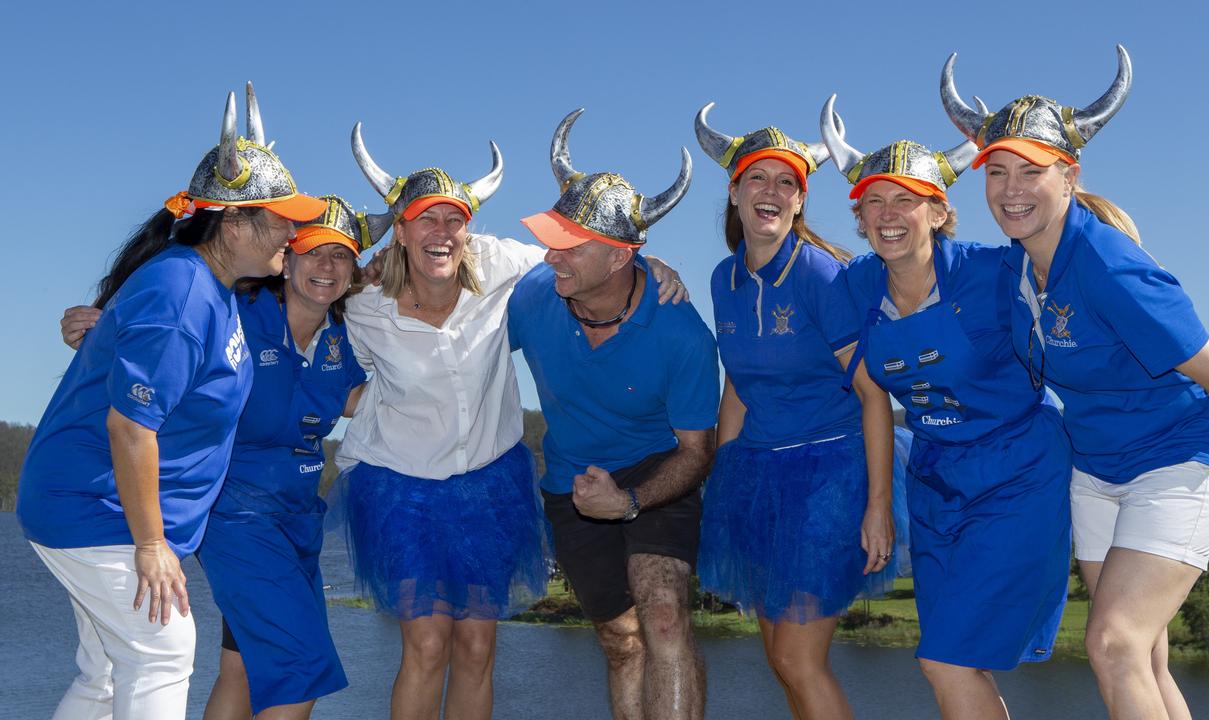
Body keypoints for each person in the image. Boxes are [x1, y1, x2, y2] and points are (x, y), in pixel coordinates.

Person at [943, 46, 1209, 720]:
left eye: (1032, 172)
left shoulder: (1110, 267)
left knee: (1114, 644)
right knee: (1141, 658)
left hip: (1182, 458)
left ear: (1070, 175)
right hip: (1097, 470)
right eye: (995, 172)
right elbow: (918, 258)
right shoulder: (1019, 270)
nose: (1009, 189)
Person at [335, 120, 689, 720]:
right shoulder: (362, 306)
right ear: (399, 230)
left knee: (476, 645)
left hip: (486, 484)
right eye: (426, 217)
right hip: (397, 483)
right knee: (425, 644)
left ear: (469, 230)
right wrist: (367, 400)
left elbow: (593, 256)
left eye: (455, 219)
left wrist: (652, 267)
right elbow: (328, 372)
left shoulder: (506, 265)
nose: (442, 232)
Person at [18, 84, 327, 719]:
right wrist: (152, 545)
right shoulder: (183, 295)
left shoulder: (216, 287)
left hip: (105, 512)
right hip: (97, 511)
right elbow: (130, 426)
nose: (294, 234)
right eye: (283, 221)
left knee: (106, 675)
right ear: (235, 222)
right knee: (162, 651)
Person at [60, 197, 390, 720]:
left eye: (342, 256)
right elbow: (164, 329)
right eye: (312, 251)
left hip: (298, 520)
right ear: (288, 256)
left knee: (243, 666)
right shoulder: (242, 308)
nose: (327, 267)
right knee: (298, 663)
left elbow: (356, 400)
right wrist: (102, 326)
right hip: (234, 515)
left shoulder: (340, 343)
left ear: (353, 269)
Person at [821, 95, 1071, 720]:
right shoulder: (853, 286)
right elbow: (872, 398)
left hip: (1018, 473)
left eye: (905, 199)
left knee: (947, 659)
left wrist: (1198, 389)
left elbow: (1097, 284)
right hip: (934, 482)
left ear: (938, 210)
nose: (887, 214)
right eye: (873, 202)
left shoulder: (994, 273)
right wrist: (880, 507)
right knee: (948, 656)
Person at [692, 104, 899, 720]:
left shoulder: (819, 274)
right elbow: (739, 381)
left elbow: (871, 393)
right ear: (734, 191)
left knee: (799, 660)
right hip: (757, 477)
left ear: (801, 202)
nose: (772, 191)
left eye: (788, 182)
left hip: (830, 477)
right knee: (778, 661)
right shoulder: (721, 279)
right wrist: (724, 482)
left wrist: (878, 505)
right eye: (758, 177)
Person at [512, 109, 718, 720]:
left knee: (662, 615)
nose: (553, 257)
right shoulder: (533, 298)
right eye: (552, 239)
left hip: (660, 468)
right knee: (620, 638)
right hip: (570, 479)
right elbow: (458, 336)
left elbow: (696, 452)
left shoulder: (683, 334)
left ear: (622, 256)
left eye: (572, 245)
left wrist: (627, 504)